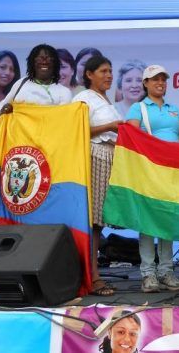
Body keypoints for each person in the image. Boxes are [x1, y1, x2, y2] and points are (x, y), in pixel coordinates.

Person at [126, 64, 179, 293]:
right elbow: (132, 138)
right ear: (145, 83)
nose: (160, 83)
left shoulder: (175, 109)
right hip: (150, 172)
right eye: (155, 79)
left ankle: (166, 271)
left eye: (163, 79)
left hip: (172, 172)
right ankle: (148, 273)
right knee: (148, 221)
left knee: (167, 220)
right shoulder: (138, 108)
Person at [72, 55, 123, 296]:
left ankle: (93, 274)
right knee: (92, 222)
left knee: (98, 223)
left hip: (109, 158)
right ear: (89, 74)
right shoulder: (83, 98)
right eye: (103, 71)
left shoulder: (106, 100)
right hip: (94, 157)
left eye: (110, 71)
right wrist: (110, 127)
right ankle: (91, 277)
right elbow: (76, 130)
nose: (109, 75)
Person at [0, 43, 71, 114]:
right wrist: (5, 109)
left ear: (55, 64)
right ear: (32, 62)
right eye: (40, 58)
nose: (44, 62)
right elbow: (3, 105)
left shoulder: (64, 92)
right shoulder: (21, 83)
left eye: (49, 59)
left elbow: (62, 118)